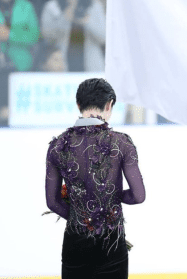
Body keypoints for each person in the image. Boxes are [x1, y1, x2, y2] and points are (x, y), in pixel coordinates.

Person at [45, 78, 145, 278]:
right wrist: (111, 201)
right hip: (112, 243)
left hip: (75, 243)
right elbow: (138, 195)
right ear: (109, 105)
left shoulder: (58, 146)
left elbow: (53, 202)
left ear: (78, 105)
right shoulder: (122, 143)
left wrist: (83, 217)